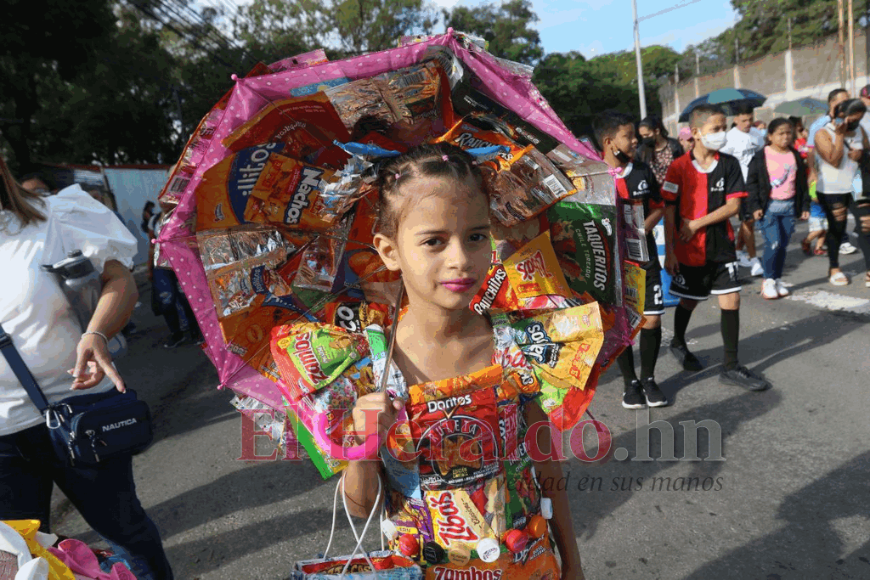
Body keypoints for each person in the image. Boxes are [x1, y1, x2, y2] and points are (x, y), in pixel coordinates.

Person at [341, 144, 584, 579]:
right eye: (433, 241)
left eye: (475, 236)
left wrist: (574, 564)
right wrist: (362, 446)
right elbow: (361, 510)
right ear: (388, 250)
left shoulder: (519, 343)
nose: (460, 259)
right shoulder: (369, 368)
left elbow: (547, 467)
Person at [0, 156, 174, 579]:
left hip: (76, 412)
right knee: (21, 562)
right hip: (2, 441)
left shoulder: (58, 216)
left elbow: (121, 281)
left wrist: (97, 333)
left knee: (127, 534)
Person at [661, 104, 771, 391]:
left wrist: (696, 224)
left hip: (721, 246)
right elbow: (669, 210)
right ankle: (678, 341)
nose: (722, 133)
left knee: (732, 300)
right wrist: (670, 251)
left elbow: (734, 206)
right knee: (689, 300)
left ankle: (731, 366)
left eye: (724, 128)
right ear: (696, 133)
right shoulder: (678, 167)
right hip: (688, 250)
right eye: (716, 129)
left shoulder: (729, 163)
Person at [593, 111, 668, 409]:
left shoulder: (642, 171)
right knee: (622, 325)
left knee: (652, 320)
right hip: (612, 266)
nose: (636, 140)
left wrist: (642, 227)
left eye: (635, 134)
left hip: (645, 261)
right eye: (629, 136)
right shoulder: (592, 175)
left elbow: (659, 207)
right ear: (610, 142)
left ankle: (649, 379)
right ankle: (630, 383)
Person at [746, 118, 811, 299]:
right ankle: (768, 280)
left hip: (789, 206)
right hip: (769, 208)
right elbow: (751, 183)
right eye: (781, 133)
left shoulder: (795, 155)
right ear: (770, 136)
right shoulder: (761, 156)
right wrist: (755, 206)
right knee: (773, 244)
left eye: (789, 133)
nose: (785, 137)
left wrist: (804, 205)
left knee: (782, 246)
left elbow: (802, 184)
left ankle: (777, 278)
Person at [814, 98, 870, 286]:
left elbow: (868, 153)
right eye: (852, 119)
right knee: (837, 229)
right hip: (832, 189)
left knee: (867, 227)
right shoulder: (823, 133)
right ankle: (834, 267)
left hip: (858, 187)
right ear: (841, 116)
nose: (855, 123)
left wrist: (862, 156)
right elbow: (834, 160)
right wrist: (839, 136)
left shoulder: (860, 131)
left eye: (859, 119)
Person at [807, 88, 859, 257]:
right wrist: (813, 174)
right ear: (832, 103)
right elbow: (810, 151)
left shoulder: (853, 122)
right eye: (844, 100)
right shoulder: (819, 125)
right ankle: (841, 242)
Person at [149, 200, 203, 347]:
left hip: (181, 265)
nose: (163, 200)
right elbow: (151, 245)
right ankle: (176, 334)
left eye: (167, 197)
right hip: (161, 268)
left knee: (187, 299)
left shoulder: (183, 215)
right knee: (166, 301)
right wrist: (150, 269)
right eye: (161, 197)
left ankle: (196, 331)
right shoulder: (154, 220)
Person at [721, 102, 766, 276]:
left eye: (750, 120)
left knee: (749, 222)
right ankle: (754, 260)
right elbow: (723, 164)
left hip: (756, 184)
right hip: (740, 185)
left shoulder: (757, 135)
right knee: (748, 222)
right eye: (744, 120)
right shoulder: (729, 138)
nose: (748, 123)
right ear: (736, 120)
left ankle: (738, 252)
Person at [636, 115, 685, 187]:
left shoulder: (674, 146)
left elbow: (682, 168)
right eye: (642, 136)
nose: (645, 138)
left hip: (674, 189)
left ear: (657, 131)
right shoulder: (642, 151)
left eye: (647, 135)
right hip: (653, 192)